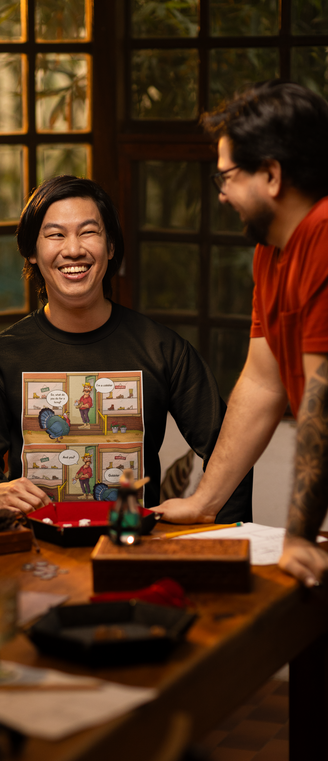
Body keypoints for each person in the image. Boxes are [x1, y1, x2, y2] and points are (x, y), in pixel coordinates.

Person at [0, 175, 252, 521]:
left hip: (131, 547)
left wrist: (231, 536)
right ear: (32, 252)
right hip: (33, 552)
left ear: (110, 247)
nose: (73, 249)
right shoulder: (0, 357)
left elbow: (229, 446)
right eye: (55, 234)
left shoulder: (162, 349)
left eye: (89, 232)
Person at [152, 80, 328, 587]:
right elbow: (263, 380)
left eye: (226, 176)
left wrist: (298, 534)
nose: (222, 193)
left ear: (271, 175)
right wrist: (204, 501)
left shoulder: (323, 235)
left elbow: (322, 400)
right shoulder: (271, 249)